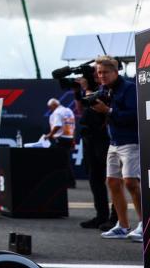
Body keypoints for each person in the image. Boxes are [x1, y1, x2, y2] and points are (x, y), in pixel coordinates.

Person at [91, 56, 142, 241]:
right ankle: (122, 225)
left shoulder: (129, 88)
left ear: (115, 71)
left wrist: (108, 111)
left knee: (131, 183)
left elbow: (135, 115)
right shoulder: (105, 89)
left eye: (105, 72)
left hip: (131, 141)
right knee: (112, 182)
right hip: (114, 142)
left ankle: (144, 225)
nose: (101, 76)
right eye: (99, 72)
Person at [75, 70, 114, 229]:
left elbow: (99, 104)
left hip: (106, 138)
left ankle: (115, 218)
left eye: (101, 73)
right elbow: (80, 110)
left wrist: (87, 89)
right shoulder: (90, 90)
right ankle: (101, 215)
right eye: (97, 73)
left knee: (113, 179)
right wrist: (78, 93)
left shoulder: (108, 90)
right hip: (90, 138)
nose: (99, 76)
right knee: (94, 178)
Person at [46, 97, 76, 188]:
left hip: (61, 139)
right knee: (66, 160)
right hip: (69, 138)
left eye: (50, 107)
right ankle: (70, 182)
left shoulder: (57, 112)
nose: (50, 109)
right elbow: (73, 126)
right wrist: (73, 139)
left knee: (62, 161)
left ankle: (69, 182)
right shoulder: (69, 111)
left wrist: (50, 135)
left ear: (54, 105)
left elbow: (57, 125)